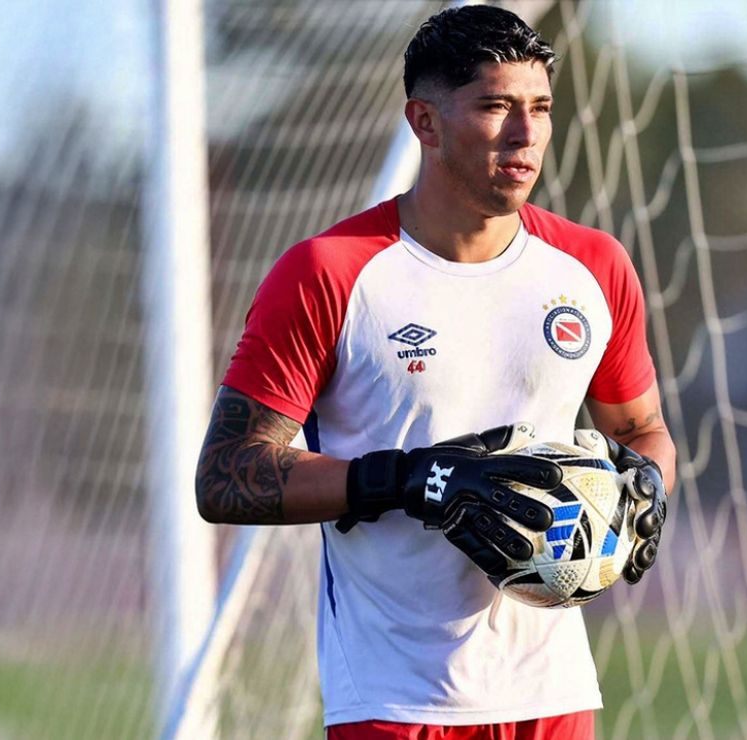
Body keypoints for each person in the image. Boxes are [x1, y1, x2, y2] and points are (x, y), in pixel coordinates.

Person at [195, 6, 676, 739]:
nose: (526, 133)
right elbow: (227, 474)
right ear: (424, 121)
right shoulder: (329, 273)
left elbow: (642, 428)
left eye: (541, 107)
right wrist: (407, 478)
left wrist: (647, 489)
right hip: (392, 701)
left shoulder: (594, 267)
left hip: (552, 696)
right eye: (495, 106)